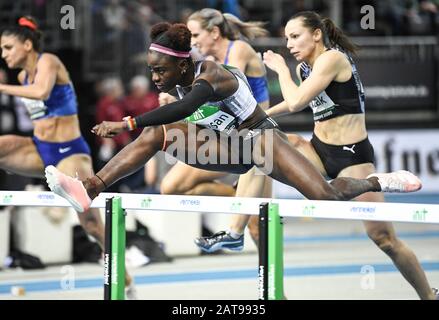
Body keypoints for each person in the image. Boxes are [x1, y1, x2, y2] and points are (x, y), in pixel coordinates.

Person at [45, 21, 420, 263]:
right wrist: (153, 120)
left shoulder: (214, 75)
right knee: (155, 136)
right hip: (231, 147)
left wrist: (126, 121)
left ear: (183, 65)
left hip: (263, 143)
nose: (155, 77)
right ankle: (90, 188)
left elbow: (190, 104)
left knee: (326, 198)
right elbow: (183, 114)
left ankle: (378, 181)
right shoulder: (175, 80)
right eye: (151, 71)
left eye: (161, 71)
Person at [196, 11, 437, 300]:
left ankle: (427, 294)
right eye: (286, 39)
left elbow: (297, 101)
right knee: (261, 149)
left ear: (317, 34)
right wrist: (259, 117)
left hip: (353, 158)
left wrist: (280, 69)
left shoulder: (333, 59)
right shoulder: (304, 69)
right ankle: (235, 231)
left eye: (295, 37)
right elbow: (291, 102)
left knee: (384, 239)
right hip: (318, 150)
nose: (289, 44)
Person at [0, 16, 136, 299]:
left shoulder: (47, 62)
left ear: (27, 45)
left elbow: (42, 92)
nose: (4, 54)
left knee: (91, 225)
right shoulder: (22, 77)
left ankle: (126, 280)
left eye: (8, 47)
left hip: (70, 152)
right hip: (40, 149)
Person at [160, 8, 272, 248]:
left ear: (214, 32)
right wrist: (176, 100)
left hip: (258, 138)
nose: (192, 41)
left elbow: (227, 92)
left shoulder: (238, 49)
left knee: (255, 225)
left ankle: (272, 282)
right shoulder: (209, 63)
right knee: (170, 188)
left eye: (195, 34)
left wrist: (186, 101)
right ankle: (234, 194)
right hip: (226, 139)